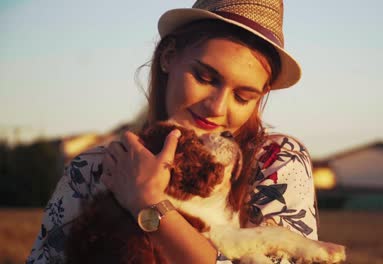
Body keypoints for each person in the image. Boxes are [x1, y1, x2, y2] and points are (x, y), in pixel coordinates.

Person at [27, 0, 319, 263]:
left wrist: (149, 204)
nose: (217, 106)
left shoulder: (274, 161)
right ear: (168, 57)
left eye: (243, 97)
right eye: (204, 78)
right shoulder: (91, 167)